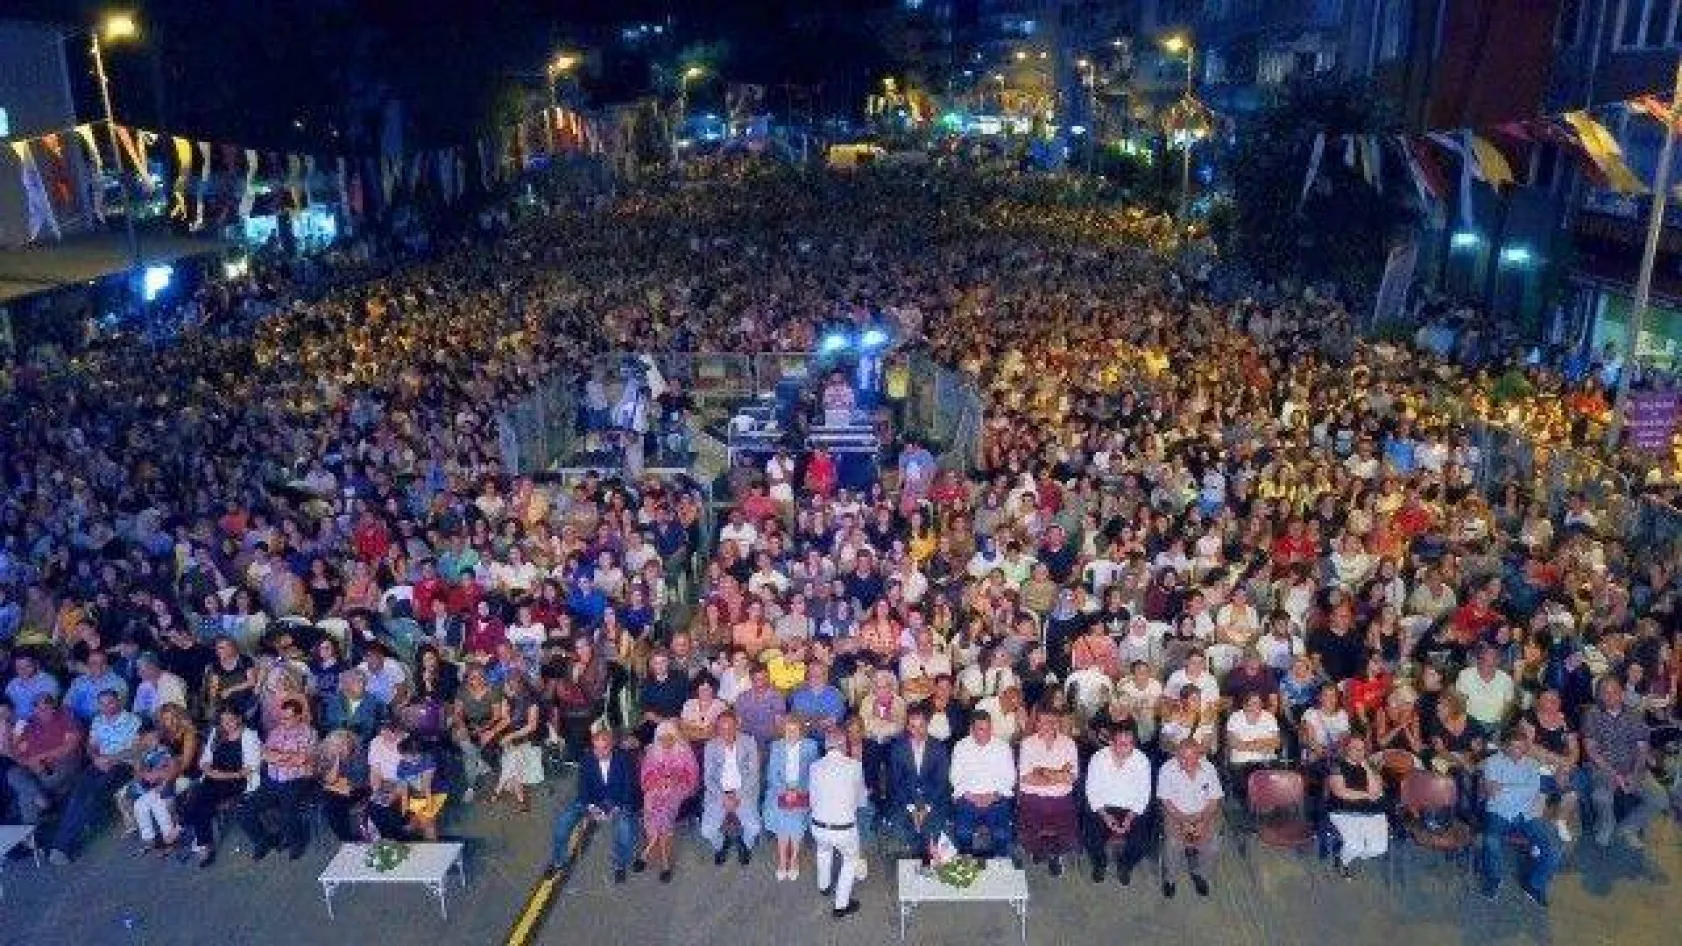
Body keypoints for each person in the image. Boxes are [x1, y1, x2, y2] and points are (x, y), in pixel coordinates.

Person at [46, 689, 140, 863]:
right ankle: (60, 844)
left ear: (118, 701)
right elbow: (91, 746)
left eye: (110, 702)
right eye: (102, 704)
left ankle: (63, 846)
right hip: (99, 762)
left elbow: (135, 750)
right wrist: (96, 758)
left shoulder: (133, 720)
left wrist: (109, 758)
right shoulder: (98, 720)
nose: (106, 707)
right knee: (77, 792)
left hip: (122, 765)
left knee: (91, 794)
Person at [1581, 676, 1669, 849]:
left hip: (1634, 767)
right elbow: (1591, 750)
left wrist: (1635, 775)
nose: (1610, 696)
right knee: (1601, 796)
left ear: (1622, 693)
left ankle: (1629, 827)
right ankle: (1607, 824)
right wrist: (1615, 775)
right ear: (1599, 695)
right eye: (1605, 692)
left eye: (1614, 691)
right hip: (1604, 768)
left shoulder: (1634, 715)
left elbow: (1642, 748)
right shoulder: (1592, 715)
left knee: (1661, 799)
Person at [546, 723, 640, 884]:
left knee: (626, 832)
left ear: (612, 746)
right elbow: (583, 788)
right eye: (596, 748)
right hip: (592, 800)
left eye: (604, 748)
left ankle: (620, 864)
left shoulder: (624, 759)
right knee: (563, 823)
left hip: (617, 801)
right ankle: (557, 861)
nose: (599, 753)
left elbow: (628, 788)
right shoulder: (587, 758)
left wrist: (613, 809)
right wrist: (592, 808)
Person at [1479, 725, 1561, 907]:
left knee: (1554, 849)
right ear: (1506, 746)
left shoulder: (1533, 765)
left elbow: (1532, 791)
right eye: (1514, 746)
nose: (1518, 751)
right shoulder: (1492, 762)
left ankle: (1534, 885)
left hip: (1527, 815)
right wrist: (1518, 790)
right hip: (1499, 812)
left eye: (1522, 747)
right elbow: (1492, 792)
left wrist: (1505, 788)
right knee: (1490, 841)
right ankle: (1494, 878)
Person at [177, 704, 261, 867]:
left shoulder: (249, 736)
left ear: (239, 718)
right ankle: (202, 843)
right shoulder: (216, 733)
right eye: (223, 721)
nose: (227, 724)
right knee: (201, 798)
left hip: (236, 782)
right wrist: (209, 770)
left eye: (230, 720)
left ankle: (185, 830)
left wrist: (220, 775)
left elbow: (249, 769)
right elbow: (205, 759)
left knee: (199, 794)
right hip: (213, 779)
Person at [236, 697, 319, 861]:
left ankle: (296, 842)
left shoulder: (309, 733)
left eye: (288, 717)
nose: (283, 721)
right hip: (272, 781)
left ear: (299, 716)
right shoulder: (275, 732)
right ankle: (263, 840)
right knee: (244, 812)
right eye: (282, 717)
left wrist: (278, 756)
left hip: (297, 780)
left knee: (288, 810)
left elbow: (301, 760)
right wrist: (286, 757)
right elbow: (265, 754)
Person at [1082, 722, 1153, 885]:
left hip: (1131, 808)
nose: (1126, 748)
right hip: (1103, 807)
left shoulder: (1142, 761)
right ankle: (1099, 863)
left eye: (1129, 744)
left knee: (1142, 841)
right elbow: (1092, 791)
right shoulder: (1098, 758)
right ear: (1111, 743)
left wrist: (1129, 818)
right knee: (1090, 836)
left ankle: (1125, 865)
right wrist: (1106, 816)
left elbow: (1144, 794)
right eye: (1121, 743)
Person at [1016, 702, 1080, 875]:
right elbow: (1025, 777)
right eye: (1045, 722)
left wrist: (1042, 771)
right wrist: (1059, 775)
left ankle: (1055, 854)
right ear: (1037, 724)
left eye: (1053, 722)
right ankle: (1039, 851)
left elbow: (1072, 778)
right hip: (1033, 797)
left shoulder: (1069, 744)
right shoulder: (1027, 744)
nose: (1050, 726)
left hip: (1061, 798)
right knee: (1028, 834)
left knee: (1069, 836)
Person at [808, 727, 866, 919]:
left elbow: (813, 798)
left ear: (826, 746)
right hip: (844, 829)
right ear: (843, 744)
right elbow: (860, 800)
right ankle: (841, 905)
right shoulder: (854, 766)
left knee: (823, 851)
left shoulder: (814, 766)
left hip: (818, 826)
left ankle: (824, 886)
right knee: (849, 861)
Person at [1157, 736, 1222, 898]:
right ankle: (1170, 879)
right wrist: (1183, 821)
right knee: (1173, 844)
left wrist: (1202, 822)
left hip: (1202, 813)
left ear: (1199, 756)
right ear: (1177, 755)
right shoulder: (1167, 769)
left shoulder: (1209, 768)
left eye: (1190, 758)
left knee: (1212, 844)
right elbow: (1166, 801)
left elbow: (1214, 800)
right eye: (1182, 758)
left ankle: (1199, 874)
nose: (1185, 763)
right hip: (1176, 813)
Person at [886, 703, 951, 860]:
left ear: (928, 725)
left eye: (921, 726)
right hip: (905, 799)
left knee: (935, 832)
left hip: (933, 800)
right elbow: (896, 783)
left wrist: (925, 809)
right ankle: (916, 857)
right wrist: (912, 809)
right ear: (907, 727)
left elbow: (941, 784)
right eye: (913, 727)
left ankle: (926, 855)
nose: (918, 731)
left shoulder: (939, 748)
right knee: (899, 830)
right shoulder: (897, 749)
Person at [948, 712, 1017, 859]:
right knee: (962, 832)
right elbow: (955, 777)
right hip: (968, 798)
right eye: (981, 729)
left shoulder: (1003, 747)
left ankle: (1000, 860)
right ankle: (966, 858)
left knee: (1002, 834)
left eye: (988, 728)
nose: (986, 733)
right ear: (972, 730)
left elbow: (1010, 778)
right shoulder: (961, 746)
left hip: (996, 798)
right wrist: (970, 796)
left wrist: (994, 795)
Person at [640, 720, 700, 883]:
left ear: (676, 737)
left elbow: (693, 776)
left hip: (679, 787)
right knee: (651, 803)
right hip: (656, 786)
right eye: (662, 738)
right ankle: (653, 844)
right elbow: (645, 774)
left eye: (670, 737)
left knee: (665, 808)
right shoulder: (652, 751)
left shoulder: (685, 751)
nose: (666, 742)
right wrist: (658, 781)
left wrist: (676, 779)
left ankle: (660, 857)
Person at [701, 709, 762, 865]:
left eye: (729, 727)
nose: (725, 732)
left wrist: (737, 796)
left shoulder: (749, 742)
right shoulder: (711, 745)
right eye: (721, 728)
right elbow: (708, 777)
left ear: (737, 726)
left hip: (743, 793)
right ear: (717, 728)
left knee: (754, 827)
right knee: (707, 830)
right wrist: (724, 797)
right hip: (718, 794)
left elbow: (754, 773)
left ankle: (745, 845)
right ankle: (721, 844)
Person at [1324, 734, 1389, 877]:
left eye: (1362, 749)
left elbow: (1376, 792)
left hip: (1373, 812)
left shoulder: (1371, 766)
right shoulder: (1337, 765)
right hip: (1344, 811)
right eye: (1355, 749)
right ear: (1347, 749)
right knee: (1355, 845)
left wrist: (1367, 768)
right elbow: (1340, 791)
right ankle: (1342, 860)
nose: (1360, 752)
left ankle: (1352, 855)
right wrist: (1366, 795)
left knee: (1379, 848)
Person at [763, 715, 818, 882]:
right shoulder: (776, 746)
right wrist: (785, 791)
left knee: (796, 817)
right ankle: (781, 860)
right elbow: (771, 774)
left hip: (803, 789)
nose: (791, 733)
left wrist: (797, 791)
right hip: (779, 789)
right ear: (783, 731)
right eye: (787, 730)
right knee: (781, 816)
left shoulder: (811, 746)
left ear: (801, 731)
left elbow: (813, 773)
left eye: (795, 730)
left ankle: (793, 859)